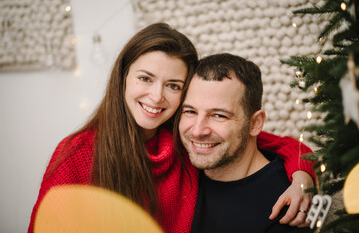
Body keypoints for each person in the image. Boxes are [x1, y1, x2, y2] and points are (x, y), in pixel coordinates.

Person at [29, 23, 314, 233]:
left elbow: (266, 142)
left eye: (173, 86)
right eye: (145, 78)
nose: (156, 96)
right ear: (123, 78)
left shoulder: (185, 140)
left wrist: (303, 176)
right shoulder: (79, 154)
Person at [177, 53, 313, 233]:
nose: (197, 131)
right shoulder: (176, 169)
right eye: (190, 111)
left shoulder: (290, 206)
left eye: (219, 115)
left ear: (255, 123)